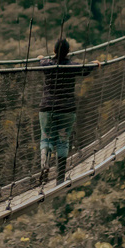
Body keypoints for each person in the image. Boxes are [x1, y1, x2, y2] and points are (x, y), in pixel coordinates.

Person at [38, 38, 96, 184]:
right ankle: (60, 178)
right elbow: (86, 69)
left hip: (47, 107)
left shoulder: (46, 64)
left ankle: (44, 164)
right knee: (63, 141)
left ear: (54, 51)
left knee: (46, 138)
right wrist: (95, 64)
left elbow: (41, 61)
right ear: (69, 51)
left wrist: (41, 58)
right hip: (67, 109)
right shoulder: (72, 65)